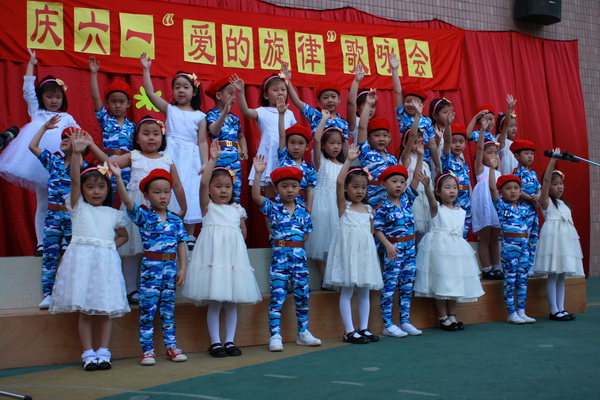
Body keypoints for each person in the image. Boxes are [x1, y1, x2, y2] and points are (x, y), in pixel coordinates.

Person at [50, 130, 129, 371]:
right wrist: (76, 153)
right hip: (82, 265)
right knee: (85, 311)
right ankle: (88, 353)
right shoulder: (78, 208)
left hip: (105, 265)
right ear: (83, 190)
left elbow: (123, 236)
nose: (96, 191)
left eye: (101, 187)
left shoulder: (112, 214)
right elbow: (74, 180)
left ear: (107, 190)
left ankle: (104, 352)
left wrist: (108, 247)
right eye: (91, 187)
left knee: (104, 311)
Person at [88, 116, 186, 304]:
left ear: (162, 137)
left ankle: (159, 287)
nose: (151, 138)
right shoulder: (133, 156)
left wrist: (184, 207)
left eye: (156, 134)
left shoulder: (167, 159)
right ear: (137, 138)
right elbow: (109, 162)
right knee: (133, 249)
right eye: (146, 134)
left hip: (162, 209)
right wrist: (92, 145)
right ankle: (130, 289)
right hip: (137, 206)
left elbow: (177, 185)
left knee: (158, 247)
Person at [183, 140, 262, 357]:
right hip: (214, 259)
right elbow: (202, 183)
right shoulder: (207, 207)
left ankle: (230, 341)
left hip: (232, 260)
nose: (223, 190)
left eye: (227, 186)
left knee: (231, 302)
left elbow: (242, 234)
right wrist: (213, 160)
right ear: (210, 189)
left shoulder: (237, 210)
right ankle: (215, 342)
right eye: (218, 186)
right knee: (215, 301)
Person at [0, 48, 79, 255]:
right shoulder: (36, 112)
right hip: (39, 163)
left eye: (58, 97)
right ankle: (41, 244)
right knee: (44, 203)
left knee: (66, 202)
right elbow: (27, 89)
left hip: (63, 165)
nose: (54, 100)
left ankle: (65, 240)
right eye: (49, 96)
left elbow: (78, 136)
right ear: (41, 98)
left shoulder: (67, 117)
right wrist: (31, 64)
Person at [112, 165, 189, 365]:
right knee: (147, 310)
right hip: (150, 271)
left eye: (167, 192)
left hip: (170, 269)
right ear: (146, 196)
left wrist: (183, 268)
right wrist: (119, 178)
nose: (163, 196)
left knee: (168, 310)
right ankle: (147, 351)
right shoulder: (144, 216)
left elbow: (181, 243)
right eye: (157, 192)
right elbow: (128, 202)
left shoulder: (175, 219)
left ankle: (171, 347)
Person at [252, 158, 321, 352]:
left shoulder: (303, 212)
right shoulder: (273, 207)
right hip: (280, 261)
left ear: (299, 188)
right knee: (277, 297)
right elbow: (256, 196)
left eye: (294, 186)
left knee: (302, 296)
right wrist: (258, 173)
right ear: (276, 189)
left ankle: (303, 332)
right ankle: (275, 335)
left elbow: (306, 235)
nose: (290, 190)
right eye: (284, 186)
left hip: (299, 261)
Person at [141, 53, 207, 245]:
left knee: (190, 190)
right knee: (168, 188)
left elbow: (203, 141)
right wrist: (146, 69)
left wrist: (205, 163)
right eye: (177, 87)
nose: (181, 90)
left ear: (194, 91)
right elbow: (151, 94)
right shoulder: (170, 109)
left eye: (185, 87)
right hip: (171, 154)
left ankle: (190, 234)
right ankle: (166, 227)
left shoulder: (200, 116)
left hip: (191, 157)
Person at [324, 144, 383, 344]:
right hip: (348, 255)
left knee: (365, 292)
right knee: (347, 291)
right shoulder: (344, 206)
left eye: (363, 187)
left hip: (364, 255)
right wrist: (348, 160)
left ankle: (363, 328)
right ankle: (349, 330)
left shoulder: (369, 209)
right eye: (355, 187)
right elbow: (339, 181)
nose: (359, 191)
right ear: (347, 188)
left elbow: (371, 233)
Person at [414, 173, 484, 331]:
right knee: (442, 282)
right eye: (447, 187)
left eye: (454, 187)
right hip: (440, 250)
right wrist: (427, 186)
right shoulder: (436, 209)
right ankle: (443, 317)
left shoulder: (461, 211)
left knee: (455, 281)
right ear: (438, 192)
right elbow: (431, 201)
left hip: (456, 251)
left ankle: (452, 314)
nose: (452, 191)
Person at [29, 117, 86, 308]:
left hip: (72, 217)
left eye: (69, 138)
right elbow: (32, 146)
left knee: (72, 255)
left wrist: (78, 150)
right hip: (52, 217)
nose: (64, 140)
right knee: (50, 255)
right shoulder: (53, 161)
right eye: (63, 137)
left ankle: (71, 292)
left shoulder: (82, 166)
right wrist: (45, 127)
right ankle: (48, 294)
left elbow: (78, 167)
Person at [533, 149, 584, 321]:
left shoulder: (564, 205)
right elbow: (546, 179)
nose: (559, 186)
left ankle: (561, 308)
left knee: (562, 276)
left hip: (565, 242)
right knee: (553, 275)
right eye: (555, 184)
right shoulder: (546, 202)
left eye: (561, 183)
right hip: (553, 242)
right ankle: (554, 310)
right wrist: (553, 160)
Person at [374, 163, 423, 337]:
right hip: (393, 250)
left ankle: (405, 321)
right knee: (390, 285)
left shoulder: (407, 200)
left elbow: (415, 180)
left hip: (409, 249)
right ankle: (387, 323)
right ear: (384, 184)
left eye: (402, 182)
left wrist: (419, 156)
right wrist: (387, 245)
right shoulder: (382, 207)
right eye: (394, 181)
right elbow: (377, 230)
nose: (399, 185)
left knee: (407, 285)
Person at [488, 154, 536, 324]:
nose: (513, 191)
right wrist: (493, 169)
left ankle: (522, 311)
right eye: (508, 188)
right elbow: (492, 189)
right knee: (510, 280)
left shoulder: (524, 208)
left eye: (516, 188)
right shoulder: (502, 206)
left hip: (524, 247)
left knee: (522, 279)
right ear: (502, 192)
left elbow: (528, 227)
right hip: (510, 248)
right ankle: (511, 312)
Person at [232, 73, 296, 199]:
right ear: (266, 95)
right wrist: (241, 91)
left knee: (286, 191)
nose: (280, 93)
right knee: (270, 195)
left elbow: (293, 136)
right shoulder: (262, 111)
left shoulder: (289, 113)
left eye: (283, 90)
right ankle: (270, 212)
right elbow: (245, 111)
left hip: (285, 155)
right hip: (268, 155)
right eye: (275, 90)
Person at [88, 56, 136, 199]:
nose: (118, 105)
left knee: (127, 199)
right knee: (107, 198)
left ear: (128, 104)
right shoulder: (106, 120)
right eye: (114, 102)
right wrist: (93, 74)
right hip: (107, 165)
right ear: (108, 103)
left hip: (127, 168)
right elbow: (96, 98)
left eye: (121, 102)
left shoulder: (133, 126)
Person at [305, 110, 345, 280]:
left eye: (338, 143)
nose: (335, 147)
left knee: (336, 243)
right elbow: (315, 139)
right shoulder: (320, 161)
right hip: (321, 205)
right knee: (320, 244)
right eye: (331, 143)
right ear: (323, 145)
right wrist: (324, 119)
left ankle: (335, 278)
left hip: (337, 206)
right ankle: (325, 279)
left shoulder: (343, 165)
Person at [392, 53, 441, 176]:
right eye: (408, 101)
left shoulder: (427, 122)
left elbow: (432, 145)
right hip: (408, 159)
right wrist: (394, 70)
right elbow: (398, 92)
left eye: (415, 102)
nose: (410, 104)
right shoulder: (402, 115)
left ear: (423, 104)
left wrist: (437, 165)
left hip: (424, 161)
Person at [205, 76, 248, 203]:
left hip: (235, 160)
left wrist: (244, 149)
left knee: (235, 190)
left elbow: (241, 137)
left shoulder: (234, 119)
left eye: (235, 94)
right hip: (219, 159)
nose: (234, 97)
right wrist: (224, 113)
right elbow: (214, 130)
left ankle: (235, 212)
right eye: (230, 94)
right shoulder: (211, 115)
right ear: (219, 95)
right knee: (219, 189)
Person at [281, 63, 349, 140]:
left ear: (339, 99)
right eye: (325, 97)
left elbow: (345, 144)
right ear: (319, 101)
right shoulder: (315, 115)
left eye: (333, 97)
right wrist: (287, 80)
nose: (330, 100)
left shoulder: (343, 123)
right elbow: (297, 101)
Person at [471, 120, 502, 279]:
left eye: (495, 153)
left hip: (496, 204)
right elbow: (479, 147)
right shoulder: (480, 169)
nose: (493, 155)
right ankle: (487, 268)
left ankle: (497, 267)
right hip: (484, 203)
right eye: (489, 152)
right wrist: (482, 130)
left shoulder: (498, 172)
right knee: (484, 237)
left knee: (495, 238)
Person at [357, 92, 398, 207]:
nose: (381, 139)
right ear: (368, 138)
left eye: (385, 136)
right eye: (377, 135)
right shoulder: (366, 153)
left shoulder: (393, 159)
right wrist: (368, 104)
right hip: (372, 204)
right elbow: (362, 127)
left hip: (390, 206)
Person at [277, 98, 316, 209]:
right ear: (287, 144)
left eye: (301, 144)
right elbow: (282, 135)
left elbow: (310, 190)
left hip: (300, 208)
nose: (296, 147)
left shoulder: (309, 169)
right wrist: (281, 114)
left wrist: (308, 209)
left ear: (307, 147)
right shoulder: (284, 158)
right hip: (281, 208)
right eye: (292, 143)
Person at [401, 109, 433, 241]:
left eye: (421, 142)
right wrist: (417, 116)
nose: (419, 145)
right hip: (412, 200)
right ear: (405, 143)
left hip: (424, 200)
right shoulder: (406, 158)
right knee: (412, 232)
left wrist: (420, 156)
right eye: (415, 142)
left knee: (423, 237)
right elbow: (412, 136)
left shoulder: (424, 163)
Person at [510, 139, 541, 276]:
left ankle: (530, 265)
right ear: (517, 156)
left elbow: (539, 188)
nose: (530, 156)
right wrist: (530, 198)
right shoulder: (517, 172)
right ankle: (522, 265)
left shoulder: (533, 173)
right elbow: (516, 189)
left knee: (533, 236)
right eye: (526, 153)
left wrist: (538, 196)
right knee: (524, 236)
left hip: (533, 209)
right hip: (523, 208)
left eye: (532, 154)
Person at [441, 123, 472, 239]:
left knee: (464, 234)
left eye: (461, 141)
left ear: (465, 144)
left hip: (466, 204)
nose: (457, 145)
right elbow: (446, 142)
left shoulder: (464, 163)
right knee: (452, 233)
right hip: (453, 201)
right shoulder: (447, 159)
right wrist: (448, 124)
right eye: (454, 141)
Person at [347, 64, 375, 144]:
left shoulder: (375, 124)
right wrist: (356, 81)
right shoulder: (355, 123)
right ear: (357, 108)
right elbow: (351, 104)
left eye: (372, 106)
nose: (370, 109)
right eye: (366, 105)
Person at [496, 95, 518, 176]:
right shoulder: (501, 140)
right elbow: (506, 124)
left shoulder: (514, 143)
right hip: (507, 172)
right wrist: (509, 108)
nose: (514, 128)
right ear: (501, 129)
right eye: (511, 126)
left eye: (515, 126)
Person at [429, 98, 453, 165]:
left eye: (449, 112)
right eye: (445, 112)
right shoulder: (431, 132)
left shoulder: (452, 131)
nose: (448, 115)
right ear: (434, 115)